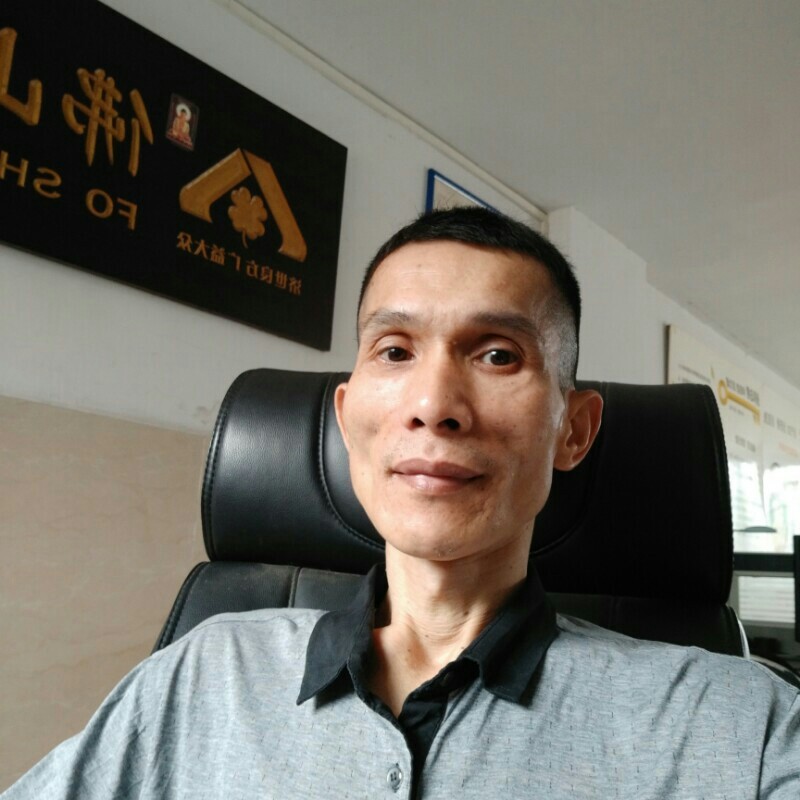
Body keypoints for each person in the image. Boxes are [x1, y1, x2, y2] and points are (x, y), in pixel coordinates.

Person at [3, 207, 798, 798]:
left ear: (574, 430)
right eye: (394, 350)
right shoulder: (203, 675)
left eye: (497, 354)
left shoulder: (735, 723)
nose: (433, 405)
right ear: (347, 416)